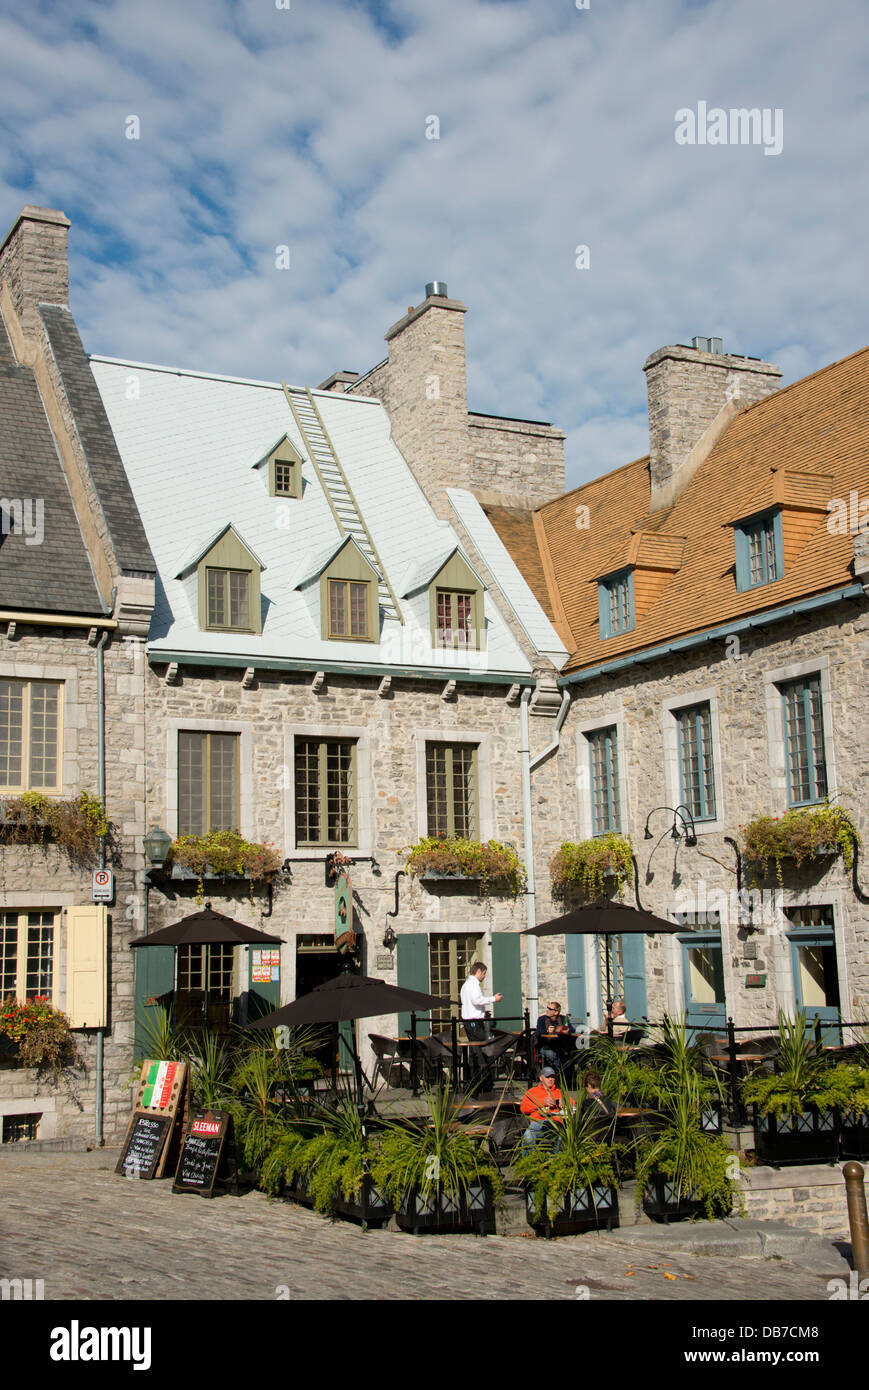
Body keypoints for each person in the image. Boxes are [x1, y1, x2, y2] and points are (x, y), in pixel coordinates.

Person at [460, 961, 502, 1093]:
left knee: (477, 1050)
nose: (484, 976)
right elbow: (476, 1000)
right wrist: (493, 999)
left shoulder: (466, 985)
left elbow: (472, 1003)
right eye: (484, 974)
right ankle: (481, 1080)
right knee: (481, 1049)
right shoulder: (473, 985)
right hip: (473, 1022)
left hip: (471, 1020)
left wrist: (483, 1012)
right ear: (478, 971)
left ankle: (478, 1080)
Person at [520, 1066, 574, 1148]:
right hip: (538, 1123)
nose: (550, 1079)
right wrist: (542, 1102)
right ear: (541, 1078)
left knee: (561, 1137)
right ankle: (530, 1159)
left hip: (556, 1124)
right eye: (548, 1077)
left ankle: (554, 1159)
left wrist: (565, 1103)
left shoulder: (559, 1092)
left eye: (552, 1077)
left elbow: (573, 1105)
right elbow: (523, 1108)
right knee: (528, 1137)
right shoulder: (532, 1092)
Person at [533, 1000, 575, 1069]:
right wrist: (547, 1031)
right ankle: (559, 1073)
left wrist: (568, 1030)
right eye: (547, 1008)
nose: (547, 1010)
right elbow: (538, 1032)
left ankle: (565, 1073)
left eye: (550, 1009)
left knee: (569, 1054)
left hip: (560, 1045)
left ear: (556, 1012)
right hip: (546, 1045)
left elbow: (573, 1030)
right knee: (551, 1054)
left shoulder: (563, 1019)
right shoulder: (542, 1019)